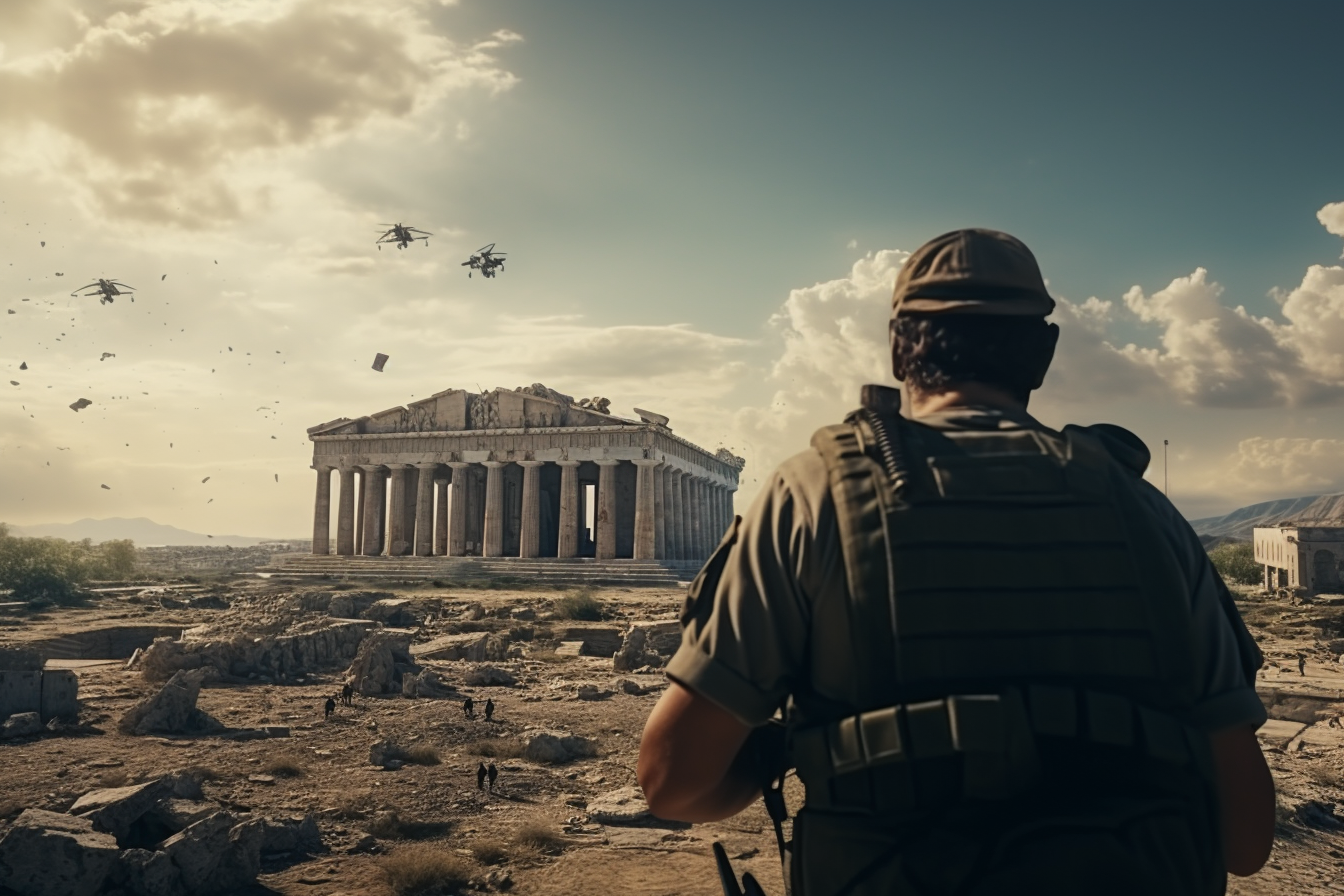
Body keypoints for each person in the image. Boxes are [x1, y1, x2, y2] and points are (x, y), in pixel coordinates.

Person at [638, 229, 1275, 896]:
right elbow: (1247, 839)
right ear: (1044, 353)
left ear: (897, 347)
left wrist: (781, 753)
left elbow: (673, 782)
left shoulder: (813, 496)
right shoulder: (1150, 516)